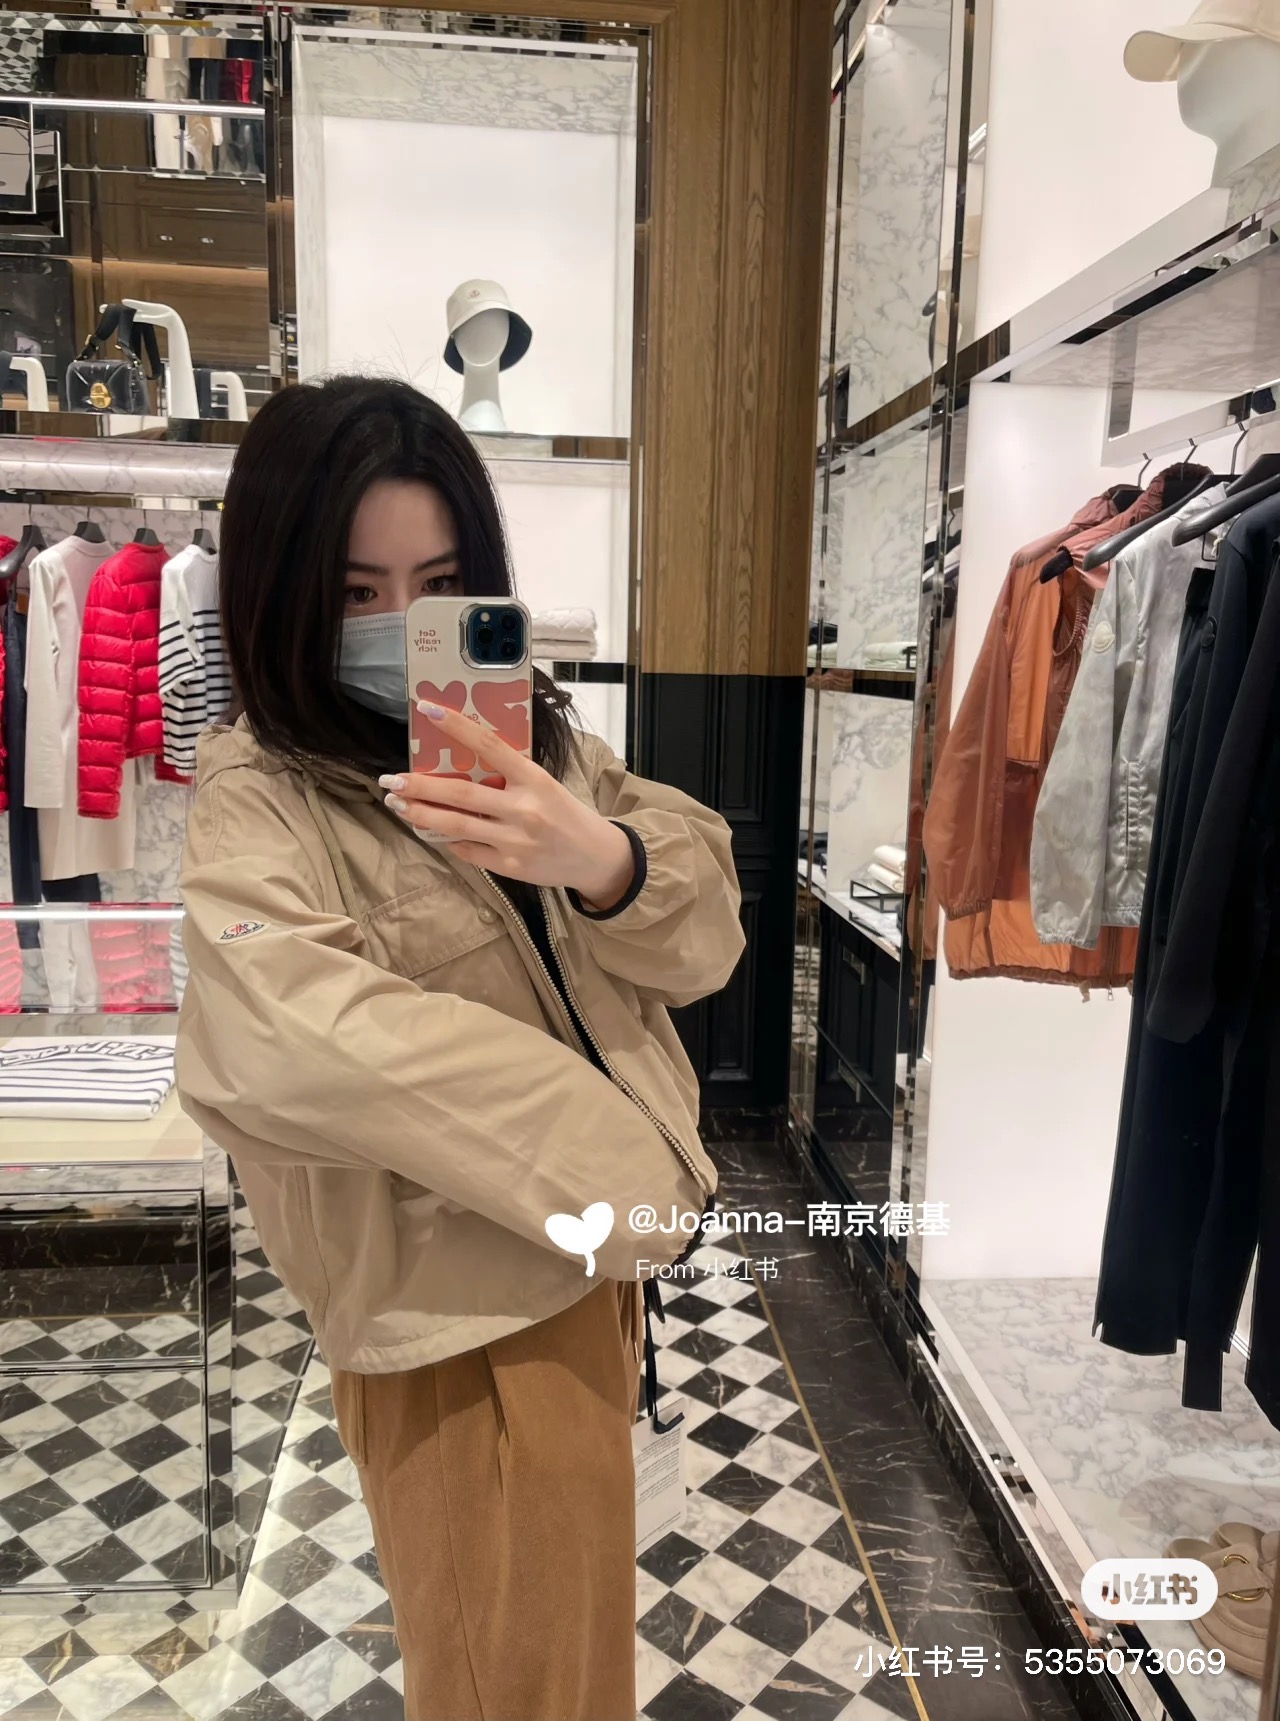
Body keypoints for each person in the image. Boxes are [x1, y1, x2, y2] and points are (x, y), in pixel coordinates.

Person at [173, 376, 744, 1721]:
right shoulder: (267, 796)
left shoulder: (529, 740)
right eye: (356, 591)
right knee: (522, 1695)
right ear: (285, 593)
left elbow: (704, 934)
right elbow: (285, 1044)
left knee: (566, 1672)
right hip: (465, 1329)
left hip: (582, 1275)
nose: (398, 622)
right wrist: (637, 1178)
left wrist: (601, 859)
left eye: (436, 585)